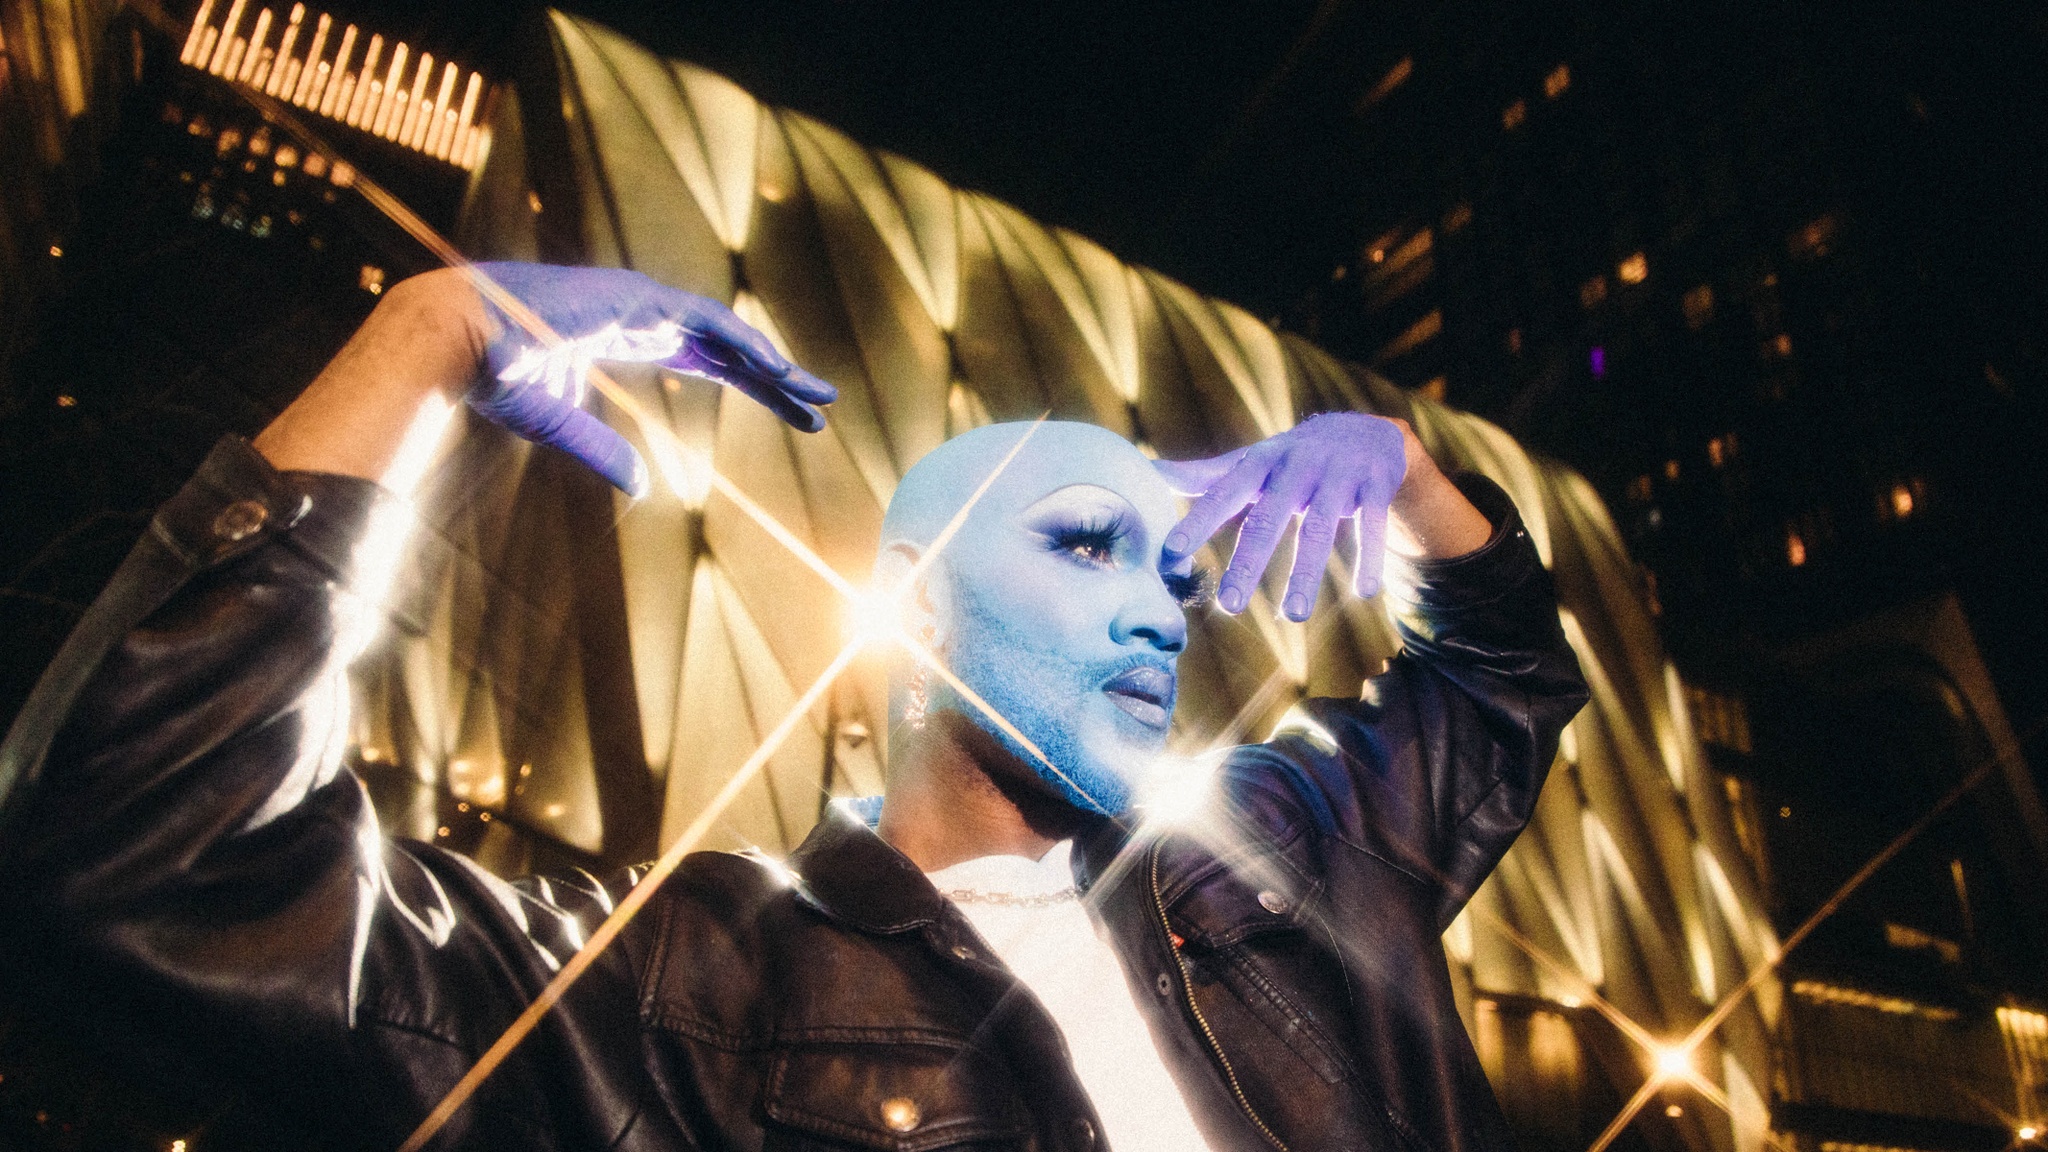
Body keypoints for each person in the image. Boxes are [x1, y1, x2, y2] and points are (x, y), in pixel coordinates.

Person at [0, 264, 1588, 1151]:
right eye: (1087, 544)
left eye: (1173, 570)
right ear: (915, 603)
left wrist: (1419, 485)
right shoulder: (685, 987)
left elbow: (1508, 677)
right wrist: (434, 331)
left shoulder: (1286, 856)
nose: (1154, 606)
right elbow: (146, 857)